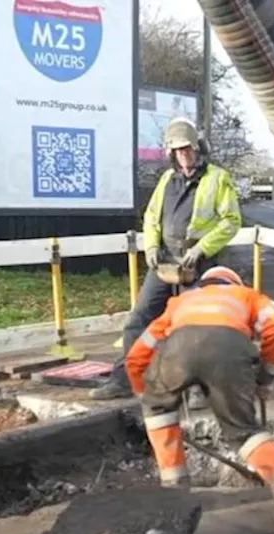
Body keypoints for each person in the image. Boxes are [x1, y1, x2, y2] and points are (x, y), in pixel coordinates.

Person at [125, 265, 274, 523]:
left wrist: (146, 396)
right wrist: (265, 378)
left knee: (158, 411)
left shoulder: (180, 302)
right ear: (235, 283)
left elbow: (136, 356)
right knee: (242, 431)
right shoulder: (247, 296)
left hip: (176, 352)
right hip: (229, 352)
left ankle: (174, 494)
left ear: (204, 283)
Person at [90, 117, 243, 403]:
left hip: (198, 265)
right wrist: (151, 247)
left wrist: (201, 249)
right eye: (178, 150)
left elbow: (231, 221)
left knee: (194, 326)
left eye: (187, 149)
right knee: (139, 319)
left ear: (198, 148)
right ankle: (124, 380)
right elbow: (151, 217)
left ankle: (197, 389)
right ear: (171, 154)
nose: (184, 155)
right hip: (165, 262)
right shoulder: (166, 180)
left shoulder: (217, 179)